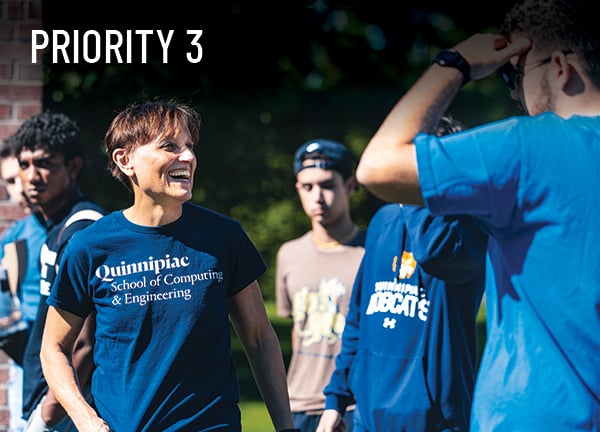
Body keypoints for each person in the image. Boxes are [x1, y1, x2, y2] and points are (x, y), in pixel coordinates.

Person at [354, 0, 600, 430]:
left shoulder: (529, 147)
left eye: (514, 75)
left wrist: (456, 63)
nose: (514, 93)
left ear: (560, 67)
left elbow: (377, 166)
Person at [39, 100, 298, 432]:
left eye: (189, 146)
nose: (188, 157)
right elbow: (53, 348)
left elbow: (260, 339)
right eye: (169, 147)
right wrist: (85, 418)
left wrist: (286, 427)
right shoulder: (90, 247)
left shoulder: (224, 237)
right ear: (125, 160)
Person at [316, 116, 487, 432]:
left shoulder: (470, 227)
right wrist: (336, 400)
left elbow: (432, 251)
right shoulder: (384, 219)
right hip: (369, 416)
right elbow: (358, 318)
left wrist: (419, 192)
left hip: (436, 420)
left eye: (416, 161)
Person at [11, 112, 106, 432]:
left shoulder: (82, 230)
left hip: (66, 410)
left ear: (73, 167)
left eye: (45, 163)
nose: (32, 176)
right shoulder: (56, 228)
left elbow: (85, 343)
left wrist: (45, 417)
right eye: (24, 165)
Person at [276, 138, 366, 432]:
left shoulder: (374, 251)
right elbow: (295, 331)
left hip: (355, 403)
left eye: (327, 185)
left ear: (349, 186)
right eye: (307, 187)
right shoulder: (289, 254)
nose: (318, 196)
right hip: (299, 404)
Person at [0, 138, 46, 432]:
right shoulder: (12, 238)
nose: (20, 188)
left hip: (73, 362)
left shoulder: (75, 224)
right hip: (26, 365)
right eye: (9, 181)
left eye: (21, 177)